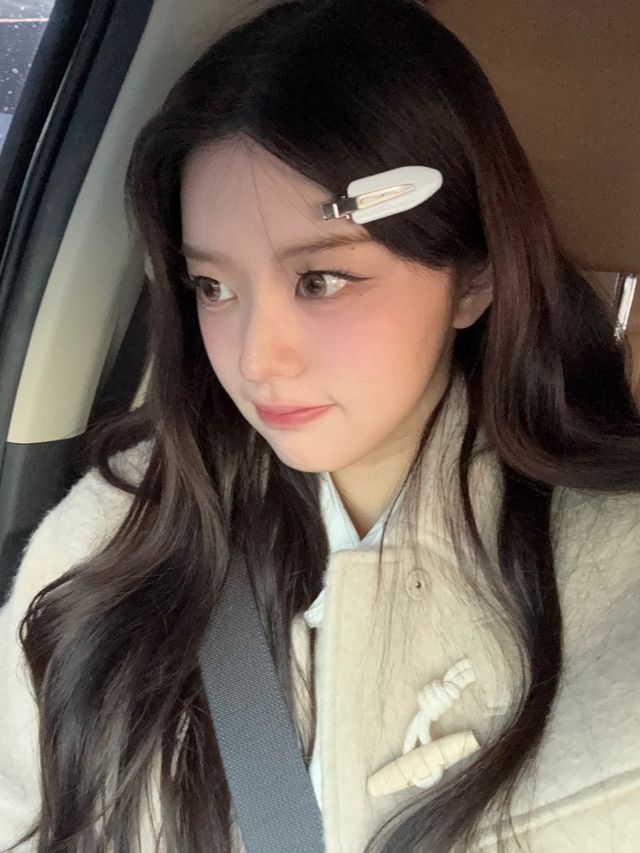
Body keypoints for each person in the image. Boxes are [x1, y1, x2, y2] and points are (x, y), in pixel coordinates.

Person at [1, 0, 639, 850]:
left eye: (322, 280)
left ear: (474, 278)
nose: (257, 358)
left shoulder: (617, 570)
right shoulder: (112, 535)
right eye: (213, 287)